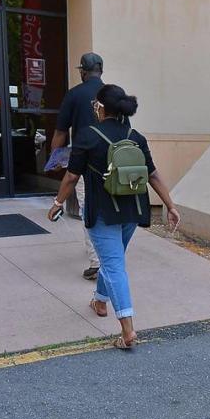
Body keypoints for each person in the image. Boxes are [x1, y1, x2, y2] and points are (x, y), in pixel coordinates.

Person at [48, 84, 180, 350]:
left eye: (95, 104)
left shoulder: (87, 136)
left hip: (102, 213)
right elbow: (152, 175)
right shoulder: (136, 136)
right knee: (113, 260)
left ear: (100, 107)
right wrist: (171, 205)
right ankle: (99, 300)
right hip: (132, 211)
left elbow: (72, 176)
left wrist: (57, 202)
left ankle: (127, 330)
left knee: (113, 266)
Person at [49, 53, 129, 281]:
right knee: (115, 208)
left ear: (83, 71)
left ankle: (98, 262)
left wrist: (55, 160)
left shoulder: (74, 95)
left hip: (86, 164)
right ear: (101, 70)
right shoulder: (114, 95)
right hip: (116, 164)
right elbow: (126, 129)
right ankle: (112, 256)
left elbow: (61, 132)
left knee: (90, 210)